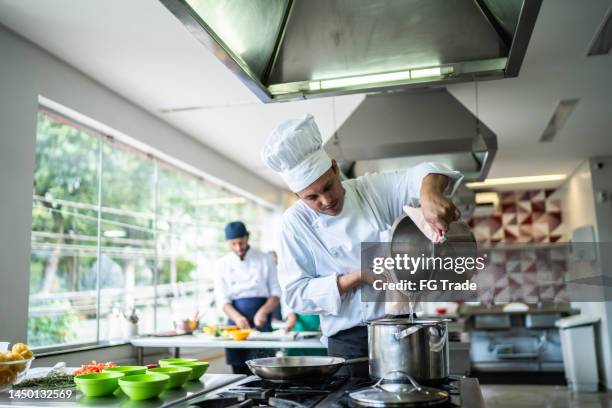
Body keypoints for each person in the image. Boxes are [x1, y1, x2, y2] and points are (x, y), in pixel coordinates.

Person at [261, 114, 464, 378]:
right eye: (312, 197)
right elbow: (295, 294)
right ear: (299, 196)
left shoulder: (370, 190)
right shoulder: (294, 224)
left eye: (328, 186)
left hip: (399, 329)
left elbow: (427, 170)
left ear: (335, 168)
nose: (326, 201)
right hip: (346, 342)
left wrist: (429, 194)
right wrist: (358, 277)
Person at [214, 221, 281, 374]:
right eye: (233, 244)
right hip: (235, 324)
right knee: (238, 372)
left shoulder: (265, 259)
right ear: (227, 243)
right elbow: (222, 299)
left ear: (248, 238)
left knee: (265, 370)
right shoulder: (222, 264)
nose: (238, 248)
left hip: (262, 323)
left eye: (241, 242)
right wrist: (237, 318)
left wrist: (263, 311)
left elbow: (276, 293)